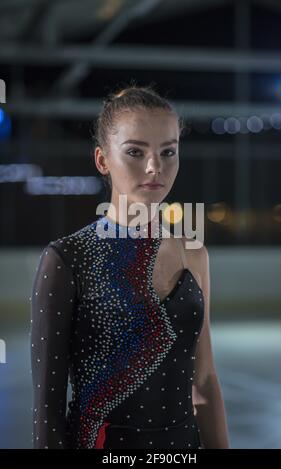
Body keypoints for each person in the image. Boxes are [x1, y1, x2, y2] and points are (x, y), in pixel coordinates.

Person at [30, 84, 230, 449]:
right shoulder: (67, 259)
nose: (155, 167)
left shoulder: (193, 253)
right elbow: (48, 407)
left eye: (168, 152)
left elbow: (203, 381)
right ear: (102, 160)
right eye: (135, 152)